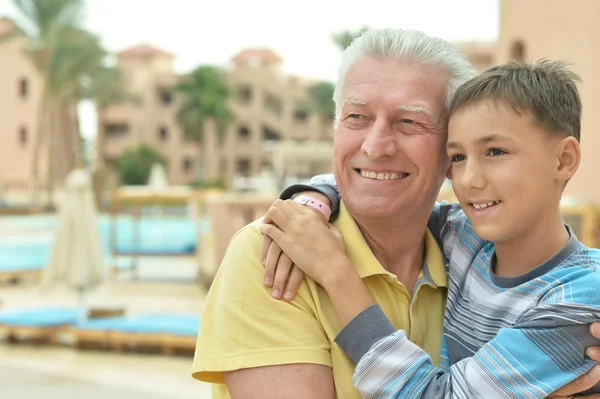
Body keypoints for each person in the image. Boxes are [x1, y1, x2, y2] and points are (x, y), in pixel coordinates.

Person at [192, 28, 600, 398]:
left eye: (409, 121)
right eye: (356, 117)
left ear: (442, 155)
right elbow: (356, 176)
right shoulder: (277, 252)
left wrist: (337, 272)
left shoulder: (467, 244)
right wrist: (313, 198)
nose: (376, 145)